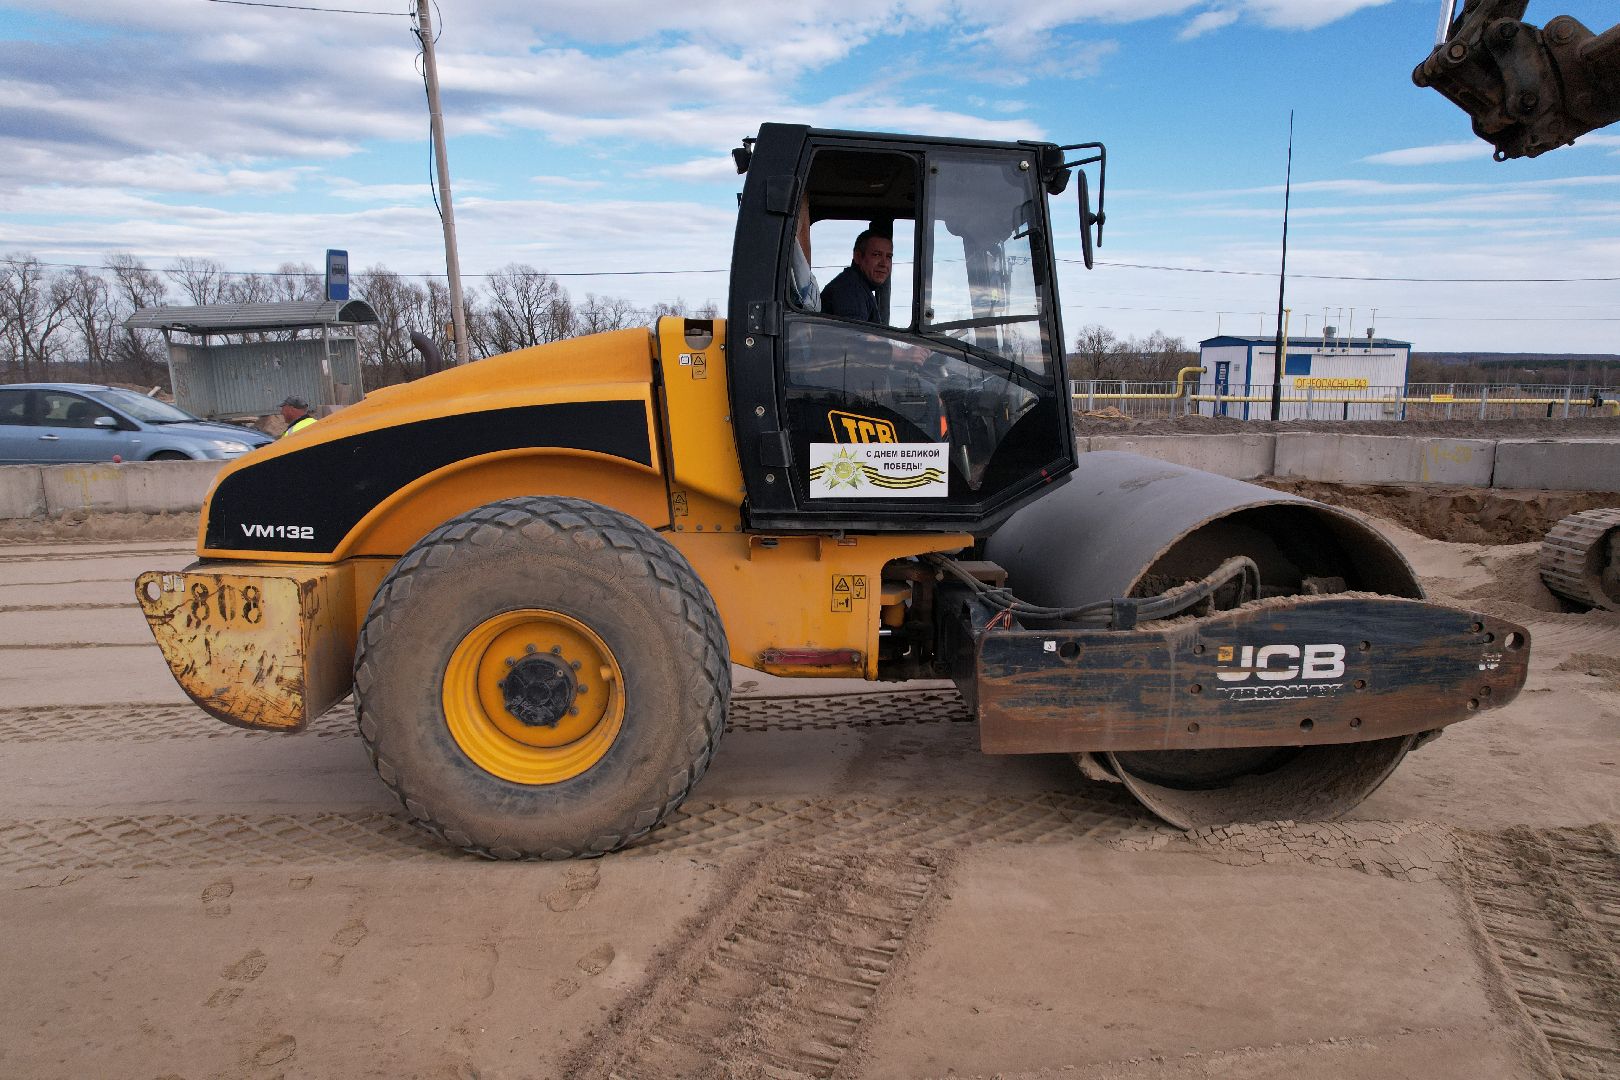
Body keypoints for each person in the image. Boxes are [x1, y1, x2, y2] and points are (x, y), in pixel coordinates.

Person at [821, 230, 892, 322]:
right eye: (876, 255)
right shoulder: (850, 290)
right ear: (858, 257)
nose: (884, 264)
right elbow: (854, 334)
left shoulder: (860, 287)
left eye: (889, 257)